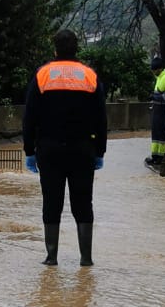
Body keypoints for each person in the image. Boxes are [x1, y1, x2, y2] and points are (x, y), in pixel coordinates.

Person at [23, 28, 107, 268]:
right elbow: (101, 118)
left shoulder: (42, 75)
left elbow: (29, 116)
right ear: (76, 48)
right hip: (83, 149)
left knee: (52, 201)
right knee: (83, 202)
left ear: (55, 49)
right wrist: (100, 151)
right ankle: (86, 258)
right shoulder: (89, 76)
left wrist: (29, 150)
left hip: (49, 149)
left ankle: (51, 257)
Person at [145, 52, 165, 172]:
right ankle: (155, 156)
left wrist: (154, 97)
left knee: (162, 134)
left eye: (154, 70)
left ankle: (162, 156)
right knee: (156, 134)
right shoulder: (159, 77)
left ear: (159, 69)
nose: (153, 73)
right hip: (157, 109)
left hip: (163, 110)